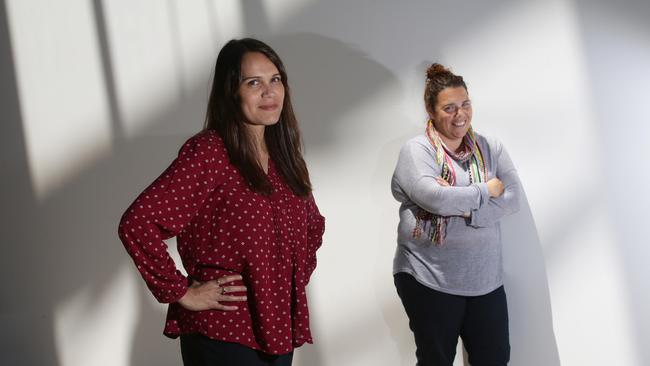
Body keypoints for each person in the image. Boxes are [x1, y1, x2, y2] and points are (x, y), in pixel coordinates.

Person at [118, 38, 325, 366]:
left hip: (277, 329)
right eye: (253, 82)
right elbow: (138, 223)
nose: (269, 92)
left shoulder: (285, 157)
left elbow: (313, 227)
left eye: (276, 80)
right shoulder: (211, 152)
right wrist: (182, 292)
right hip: (223, 331)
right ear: (232, 92)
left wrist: (285, 284)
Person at [391, 63, 521, 366]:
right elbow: (434, 198)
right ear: (431, 110)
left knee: (495, 359)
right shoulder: (417, 151)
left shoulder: (490, 147)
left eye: (465, 104)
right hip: (429, 277)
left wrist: (464, 209)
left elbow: (513, 199)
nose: (460, 114)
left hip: (485, 280)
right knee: (436, 361)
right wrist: (485, 190)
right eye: (449, 108)